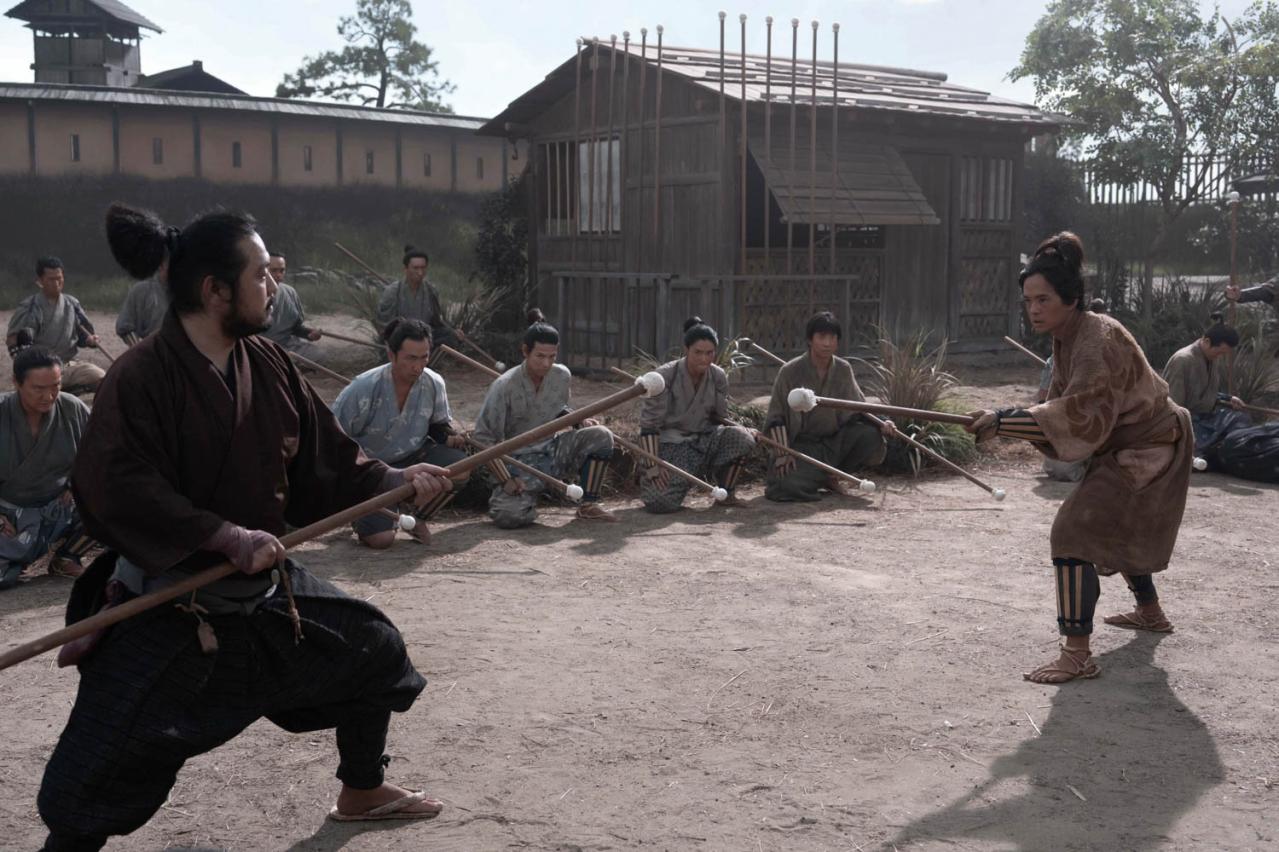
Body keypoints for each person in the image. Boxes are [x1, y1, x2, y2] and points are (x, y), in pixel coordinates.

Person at [36, 203, 455, 851]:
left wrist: (393, 478)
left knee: (373, 648)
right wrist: (221, 535)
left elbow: (328, 456)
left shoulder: (268, 363)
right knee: (91, 778)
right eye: (260, 275)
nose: (273, 286)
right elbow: (119, 486)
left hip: (262, 590)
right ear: (215, 290)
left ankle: (362, 789)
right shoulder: (140, 377)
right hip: (172, 602)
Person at [965, 232, 1192, 684]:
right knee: (1118, 524)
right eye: (1028, 300)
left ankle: (1077, 654)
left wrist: (1004, 420)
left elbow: (1079, 413)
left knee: (1072, 530)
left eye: (1043, 299)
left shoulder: (1096, 338)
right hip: (1128, 443)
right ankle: (1150, 612)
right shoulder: (1068, 335)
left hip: (1149, 445)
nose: (1033, 309)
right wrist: (1005, 420)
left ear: (1070, 299)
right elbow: (1060, 409)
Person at [333, 318, 469, 548]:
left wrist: (451, 437)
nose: (418, 367)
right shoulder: (362, 388)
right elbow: (334, 440)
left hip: (414, 459)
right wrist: (352, 481)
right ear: (391, 354)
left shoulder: (434, 383)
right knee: (381, 540)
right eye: (411, 358)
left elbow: (437, 425)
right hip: (373, 471)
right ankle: (361, 513)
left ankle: (417, 515)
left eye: (424, 357)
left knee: (460, 466)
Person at [473, 321, 616, 527]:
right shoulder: (504, 386)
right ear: (525, 351)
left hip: (552, 452)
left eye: (552, 356)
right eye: (540, 356)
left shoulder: (562, 376)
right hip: (517, 463)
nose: (546, 364)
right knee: (508, 516)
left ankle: (588, 505)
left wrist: (578, 420)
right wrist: (506, 480)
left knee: (601, 435)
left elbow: (557, 408)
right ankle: (526, 499)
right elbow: (482, 438)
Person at [763, 311, 892, 502]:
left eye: (832, 337)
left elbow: (858, 407)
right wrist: (783, 453)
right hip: (800, 446)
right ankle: (819, 476)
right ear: (810, 340)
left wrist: (882, 422)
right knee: (783, 485)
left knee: (870, 435)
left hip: (834, 443)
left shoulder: (843, 369)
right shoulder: (789, 371)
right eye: (822, 337)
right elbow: (776, 416)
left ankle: (831, 474)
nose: (827, 343)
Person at [1, 347, 94, 590]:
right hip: (7, 514)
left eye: (56, 386)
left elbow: (100, 455)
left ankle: (68, 556)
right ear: (17, 383)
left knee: (114, 495)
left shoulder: (72, 408)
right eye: (38, 389)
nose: (49, 396)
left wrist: (76, 485)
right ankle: (15, 561)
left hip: (58, 506)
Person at [638, 317, 755, 512]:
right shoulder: (665, 376)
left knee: (744, 438)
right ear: (686, 350)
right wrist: (653, 465)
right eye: (698, 353)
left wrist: (743, 428)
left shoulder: (718, 376)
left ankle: (726, 494)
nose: (704, 359)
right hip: (671, 446)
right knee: (659, 503)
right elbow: (649, 425)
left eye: (709, 353)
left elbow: (720, 416)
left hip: (704, 440)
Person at [6, 257, 106, 394]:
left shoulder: (72, 304)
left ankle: (69, 392)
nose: (56, 283)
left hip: (69, 365)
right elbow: (15, 342)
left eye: (59, 278)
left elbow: (83, 335)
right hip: (41, 369)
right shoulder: (30, 308)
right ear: (40, 281)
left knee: (102, 379)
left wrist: (90, 340)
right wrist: (27, 368)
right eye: (51, 279)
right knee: (41, 389)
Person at [1162, 317, 1247, 453]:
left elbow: (1203, 391)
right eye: (1219, 352)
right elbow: (1172, 404)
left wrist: (1228, 399)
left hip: (1205, 418)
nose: (1220, 356)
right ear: (1207, 342)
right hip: (1186, 422)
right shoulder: (1182, 360)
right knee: (1210, 447)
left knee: (1239, 420)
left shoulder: (1211, 358)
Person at [376, 246, 459, 351]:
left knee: (450, 336)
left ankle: (426, 357)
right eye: (415, 268)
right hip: (401, 339)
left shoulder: (431, 291)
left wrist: (453, 331)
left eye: (423, 268)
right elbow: (385, 327)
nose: (420, 272)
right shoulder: (392, 292)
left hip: (424, 337)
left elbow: (436, 321)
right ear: (406, 269)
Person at [263, 251, 323, 356]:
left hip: (286, 345)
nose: (278, 275)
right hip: (261, 347)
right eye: (273, 270)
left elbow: (295, 328)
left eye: (282, 270)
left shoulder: (290, 292)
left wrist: (308, 334)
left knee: (318, 354)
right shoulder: (250, 293)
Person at [115, 259, 169, 345]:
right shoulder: (142, 291)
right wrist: (139, 348)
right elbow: (124, 326)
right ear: (161, 266)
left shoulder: (187, 293)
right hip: (151, 349)